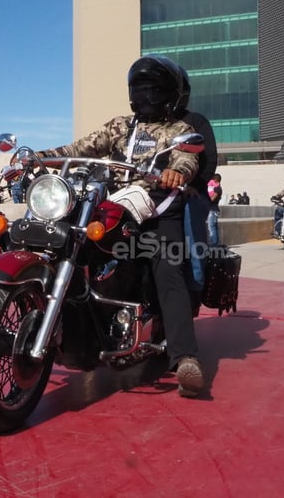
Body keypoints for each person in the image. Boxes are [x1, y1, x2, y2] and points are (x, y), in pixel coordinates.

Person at [35, 55, 204, 398]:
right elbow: (80, 147)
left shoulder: (179, 130)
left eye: (152, 89)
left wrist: (178, 172)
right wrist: (40, 157)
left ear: (170, 94)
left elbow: (187, 159)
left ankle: (185, 356)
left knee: (167, 267)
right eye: (139, 89)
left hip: (158, 206)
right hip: (110, 205)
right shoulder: (120, 126)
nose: (144, 95)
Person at [175, 74, 219, 301]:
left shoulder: (196, 121)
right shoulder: (143, 124)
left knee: (190, 219)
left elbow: (209, 159)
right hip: (154, 192)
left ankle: (195, 285)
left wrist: (193, 185)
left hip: (190, 191)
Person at [207, 173, 223, 246]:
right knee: (214, 227)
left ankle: (213, 244)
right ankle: (216, 244)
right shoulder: (217, 188)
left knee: (211, 227)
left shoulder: (217, 188)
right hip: (214, 210)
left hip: (213, 210)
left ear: (216, 180)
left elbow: (213, 198)